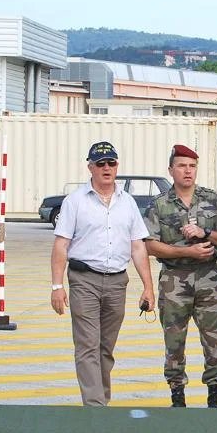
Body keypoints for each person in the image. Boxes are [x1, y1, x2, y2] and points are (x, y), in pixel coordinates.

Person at [50, 141, 154, 407]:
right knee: (87, 346)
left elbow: (138, 246)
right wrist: (56, 286)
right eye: (101, 163)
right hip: (84, 280)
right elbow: (61, 245)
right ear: (90, 167)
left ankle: (100, 402)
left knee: (105, 349)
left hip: (118, 281)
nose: (107, 168)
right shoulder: (74, 202)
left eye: (112, 162)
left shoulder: (127, 202)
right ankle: (96, 408)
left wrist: (148, 287)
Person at [144, 144, 217, 408]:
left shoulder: (212, 199)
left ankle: (215, 395)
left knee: (214, 338)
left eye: (192, 166)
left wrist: (205, 234)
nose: (187, 171)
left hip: (209, 279)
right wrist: (187, 251)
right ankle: (177, 395)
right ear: (171, 170)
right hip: (174, 278)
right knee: (174, 339)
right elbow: (150, 245)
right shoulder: (159, 205)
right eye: (182, 165)